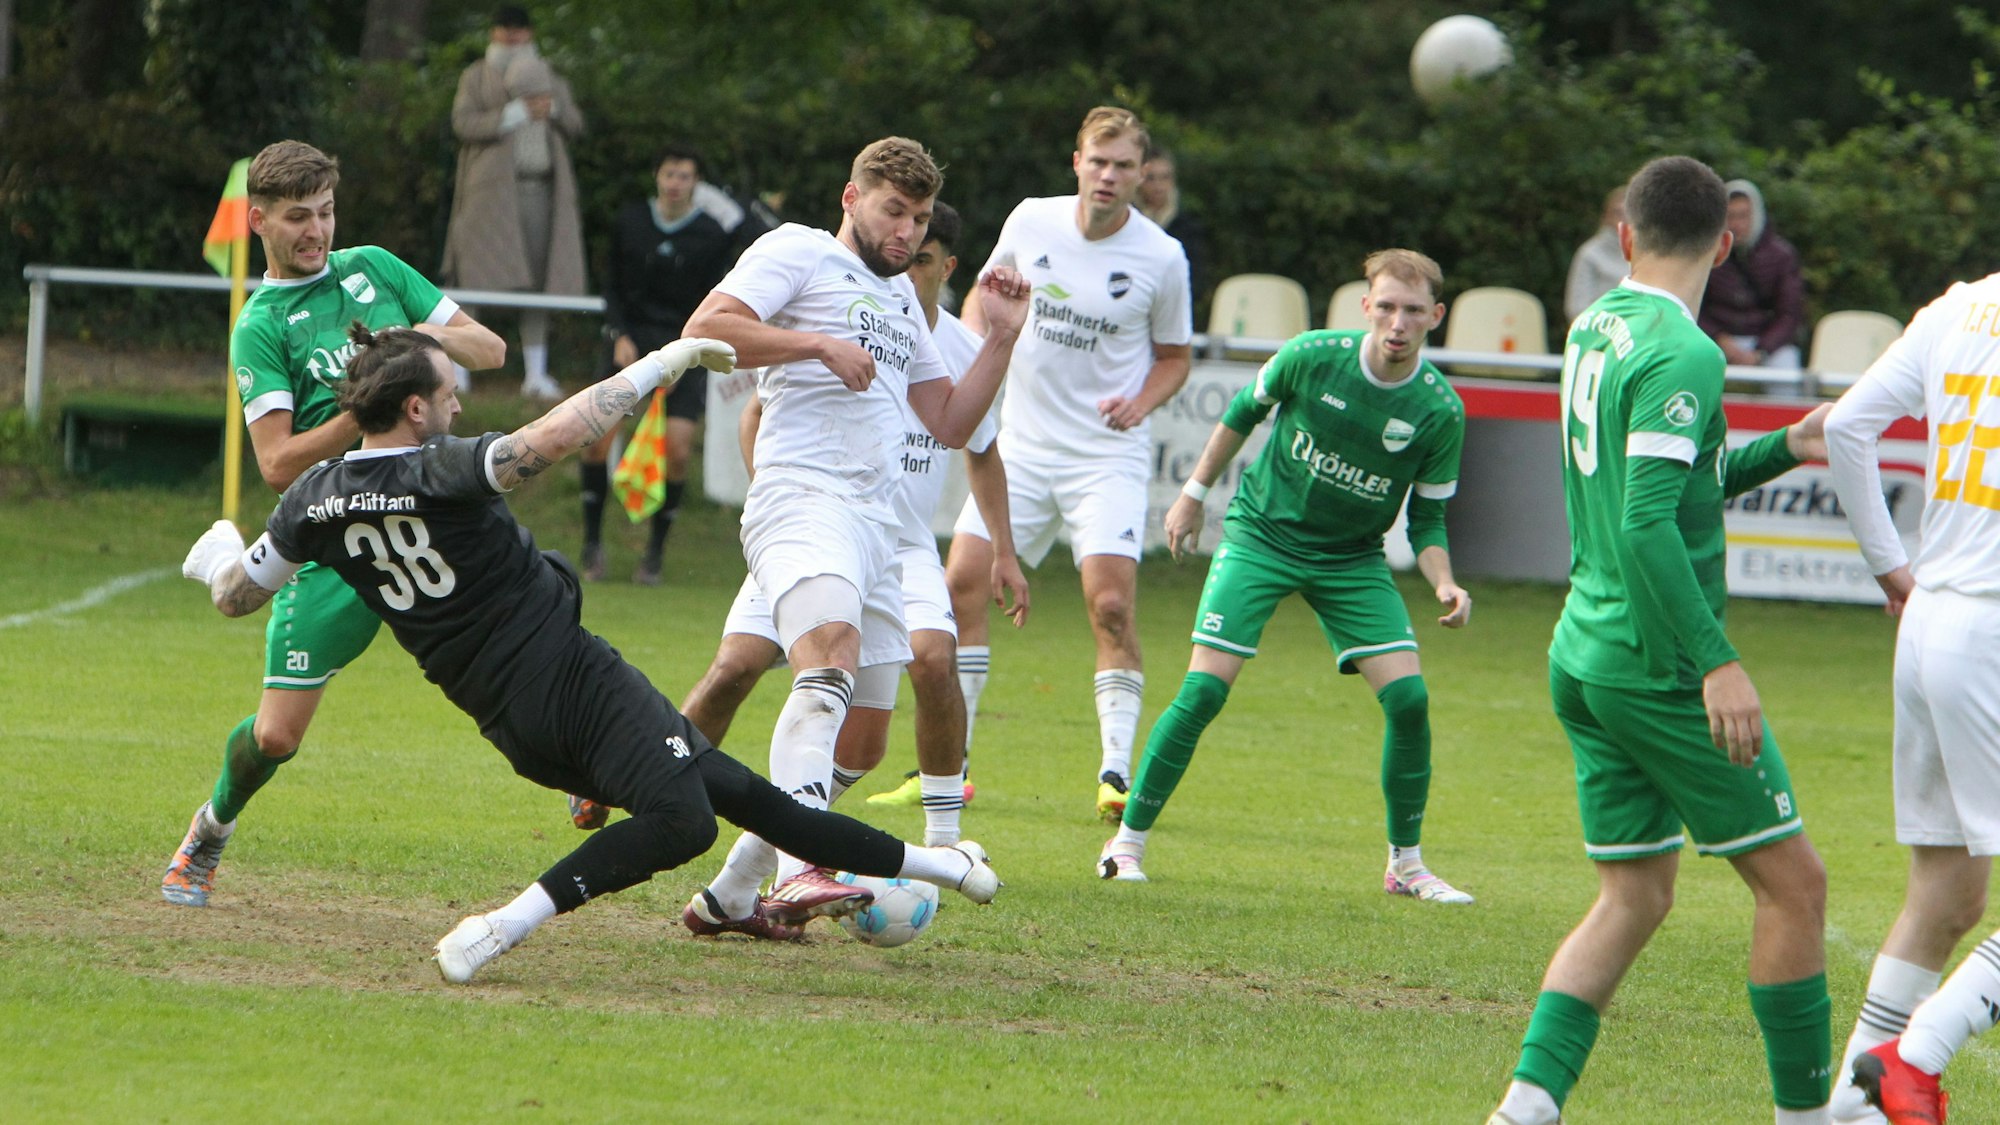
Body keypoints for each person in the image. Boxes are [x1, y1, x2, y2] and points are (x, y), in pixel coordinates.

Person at [179, 325, 1002, 982]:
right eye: (449, 392)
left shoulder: (312, 497)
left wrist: (217, 554)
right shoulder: (443, 470)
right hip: (573, 677)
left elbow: (238, 595)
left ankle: (944, 866)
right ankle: (504, 925)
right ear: (418, 411)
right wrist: (665, 361)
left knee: (738, 790)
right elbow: (555, 435)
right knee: (685, 821)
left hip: (508, 723)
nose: (460, 404)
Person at [1486, 156, 1834, 1125]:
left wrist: (1784, 447)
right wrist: (1714, 661)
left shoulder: (1597, 325)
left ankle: (1522, 1109)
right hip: (1656, 667)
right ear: (1725, 245)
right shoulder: (1687, 354)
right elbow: (1645, 523)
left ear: (1625, 238)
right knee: (1793, 887)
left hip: (1583, 652)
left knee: (1633, 897)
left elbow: (1675, 485)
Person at [677, 137, 1031, 922]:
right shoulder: (797, 249)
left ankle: (734, 894)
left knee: (859, 740)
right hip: (804, 496)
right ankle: (805, 862)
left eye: (920, 218)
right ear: (851, 198)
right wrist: (815, 343)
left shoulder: (905, 300)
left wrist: (1002, 337)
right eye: (893, 210)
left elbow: (948, 421)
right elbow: (706, 327)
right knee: (815, 653)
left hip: (879, 531)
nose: (907, 232)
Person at [160, 139, 506, 909]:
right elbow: (279, 464)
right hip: (338, 530)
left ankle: (590, 774)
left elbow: (489, 347)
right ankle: (210, 829)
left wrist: (406, 347)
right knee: (277, 735)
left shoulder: (375, 268)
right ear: (258, 221)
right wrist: (369, 405)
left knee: (520, 639)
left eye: (324, 212)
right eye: (296, 218)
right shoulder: (261, 325)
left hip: (432, 507)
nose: (315, 230)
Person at [1097, 248, 1475, 904]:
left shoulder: (1439, 410)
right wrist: (1192, 492)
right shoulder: (1313, 354)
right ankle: (1125, 843)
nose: (1397, 321)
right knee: (1204, 692)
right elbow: (1241, 412)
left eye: (1414, 310)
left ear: (1435, 317)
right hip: (1262, 536)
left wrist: (1444, 582)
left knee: (1410, 701)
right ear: (1365, 307)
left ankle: (1406, 865)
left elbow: (1429, 519)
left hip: (1352, 557)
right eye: (1386, 306)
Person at [945, 105, 1194, 821]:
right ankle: (950, 760)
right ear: (1076, 162)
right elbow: (981, 297)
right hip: (1020, 443)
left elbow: (1175, 359)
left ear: (1142, 174)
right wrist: (967, 360)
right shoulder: (1031, 220)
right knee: (961, 584)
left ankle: (1115, 771)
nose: (1109, 175)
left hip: (1103, 455)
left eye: (1124, 165)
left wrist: (1141, 402)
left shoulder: (1160, 256)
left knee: (1110, 606)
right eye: (1099, 160)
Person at [1819, 268, 2000, 1123]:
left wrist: (1890, 565)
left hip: (1930, 618)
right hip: (1994, 630)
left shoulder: (1960, 303)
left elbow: (1847, 426)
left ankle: (1844, 1112)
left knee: (1947, 895)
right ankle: (1913, 1059)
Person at [580, 146, 739, 584]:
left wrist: (688, 350)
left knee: (678, 452)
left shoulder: (711, 234)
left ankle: (654, 555)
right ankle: (592, 545)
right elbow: (610, 286)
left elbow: (716, 299)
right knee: (595, 441)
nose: (675, 184)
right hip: (627, 344)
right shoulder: (630, 222)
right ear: (657, 176)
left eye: (685, 176)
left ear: (695, 183)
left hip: (685, 346)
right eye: (669, 174)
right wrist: (620, 335)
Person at [441, 5, 587, 401]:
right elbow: (463, 123)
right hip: (488, 197)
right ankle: (461, 370)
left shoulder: (549, 75)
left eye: (520, 32)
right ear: (494, 34)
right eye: (506, 32)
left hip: (541, 193)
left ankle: (535, 375)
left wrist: (550, 109)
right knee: (472, 279)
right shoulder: (476, 76)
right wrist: (511, 114)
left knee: (539, 282)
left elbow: (575, 123)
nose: (514, 39)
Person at [1697, 179, 1805, 370]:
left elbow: (1790, 313)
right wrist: (1721, 339)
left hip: (1767, 343)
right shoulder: (1706, 254)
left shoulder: (1781, 256)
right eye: (1731, 216)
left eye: (1743, 216)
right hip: (1716, 340)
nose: (1736, 224)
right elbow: (1694, 305)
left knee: (1786, 373)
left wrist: (1761, 350)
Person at [1136, 147, 1209, 319]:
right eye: (1151, 178)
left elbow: (1196, 279)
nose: (1158, 186)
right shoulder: (1126, 220)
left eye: (1165, 178)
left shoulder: (1188, 226)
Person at [1564, 185, 1627, 322]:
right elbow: (1576, 308)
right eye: (1618, 212)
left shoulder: (1650, 254)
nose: (1623, 219)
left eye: (1628, 212)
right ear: (1606, 216)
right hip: (1600, 331)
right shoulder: (1590, 254)